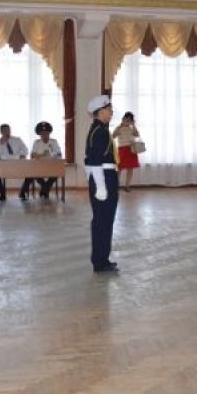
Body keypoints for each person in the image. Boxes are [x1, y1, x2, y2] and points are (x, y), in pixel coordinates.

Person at [85, 95, 119, 273]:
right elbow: (94, 160)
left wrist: (91, 180)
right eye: (109, 109)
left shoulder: (99, 129)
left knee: (104, 220)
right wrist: (100, 186)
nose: (111, 112)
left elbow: (88, 161)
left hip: (104, 176)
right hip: (104, 177)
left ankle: (102, 259)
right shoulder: (99, 131)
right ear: (100, 112)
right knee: (103, 221)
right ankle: (100, 262)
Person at [0, 123, 29, 202]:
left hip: (18, 164)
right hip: (4, 165)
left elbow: (26, 151)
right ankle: (2, 195)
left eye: (8, 130)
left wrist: (21, 156)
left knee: (31, 173)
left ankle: (22, 193)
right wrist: (2, 143)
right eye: (5, 130)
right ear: (1, 132)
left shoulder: (17, 139)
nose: (7, 132)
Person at [31, 121, 62, 199]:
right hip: (39, 166)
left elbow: (59, 154)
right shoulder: (36, 142)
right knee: (35, 174)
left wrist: (51, 154)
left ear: (49, 133)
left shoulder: (54, 142)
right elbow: (33, 155)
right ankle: (45, 189)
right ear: (39, 134)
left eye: (46, 133)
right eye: (42, 133)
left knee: (56, 174)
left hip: (52, 165)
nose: (44, 134)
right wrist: (41, 155)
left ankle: (44, 190)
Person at [111, 111, 141, 192]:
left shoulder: (131, 128)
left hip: (131, 149)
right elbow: (113, 136)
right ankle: (116, 186)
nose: (127, 121)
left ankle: (127, 186)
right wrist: (120, 126)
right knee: (119, 168)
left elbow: (137, 135)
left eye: (130, 119)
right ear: (123, 118)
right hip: (122, 149)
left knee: (130, 168)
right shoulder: (119, 128)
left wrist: (133, 125)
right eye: (126, 119)